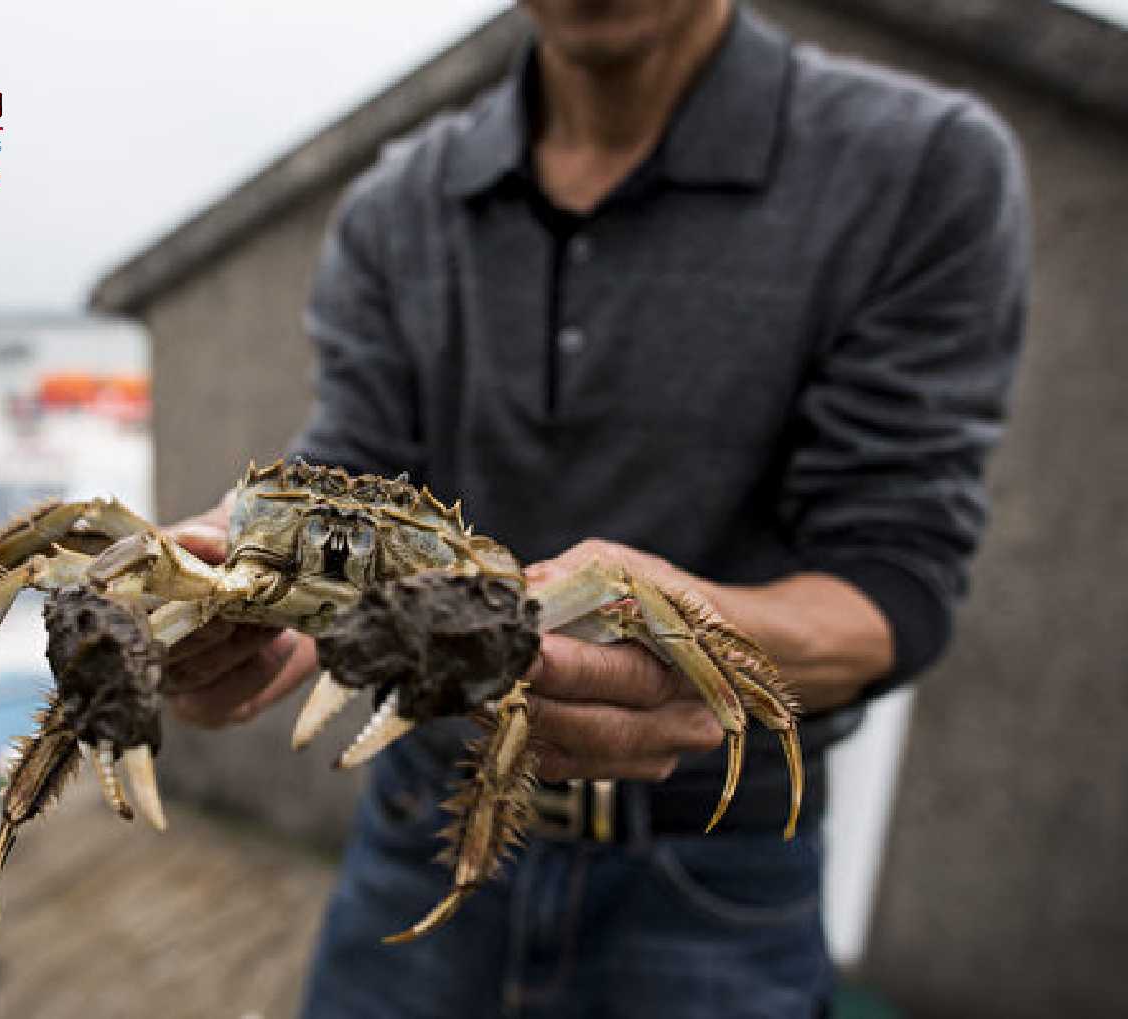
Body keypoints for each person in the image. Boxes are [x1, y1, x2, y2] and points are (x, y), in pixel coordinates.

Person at [164, 0, 1027, 1015]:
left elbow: (896, 571)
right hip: (418, 825)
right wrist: (234, 594)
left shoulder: (922, 167)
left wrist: (695, 631)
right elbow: (349, 466)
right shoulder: (397, 204)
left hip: (716, 866)